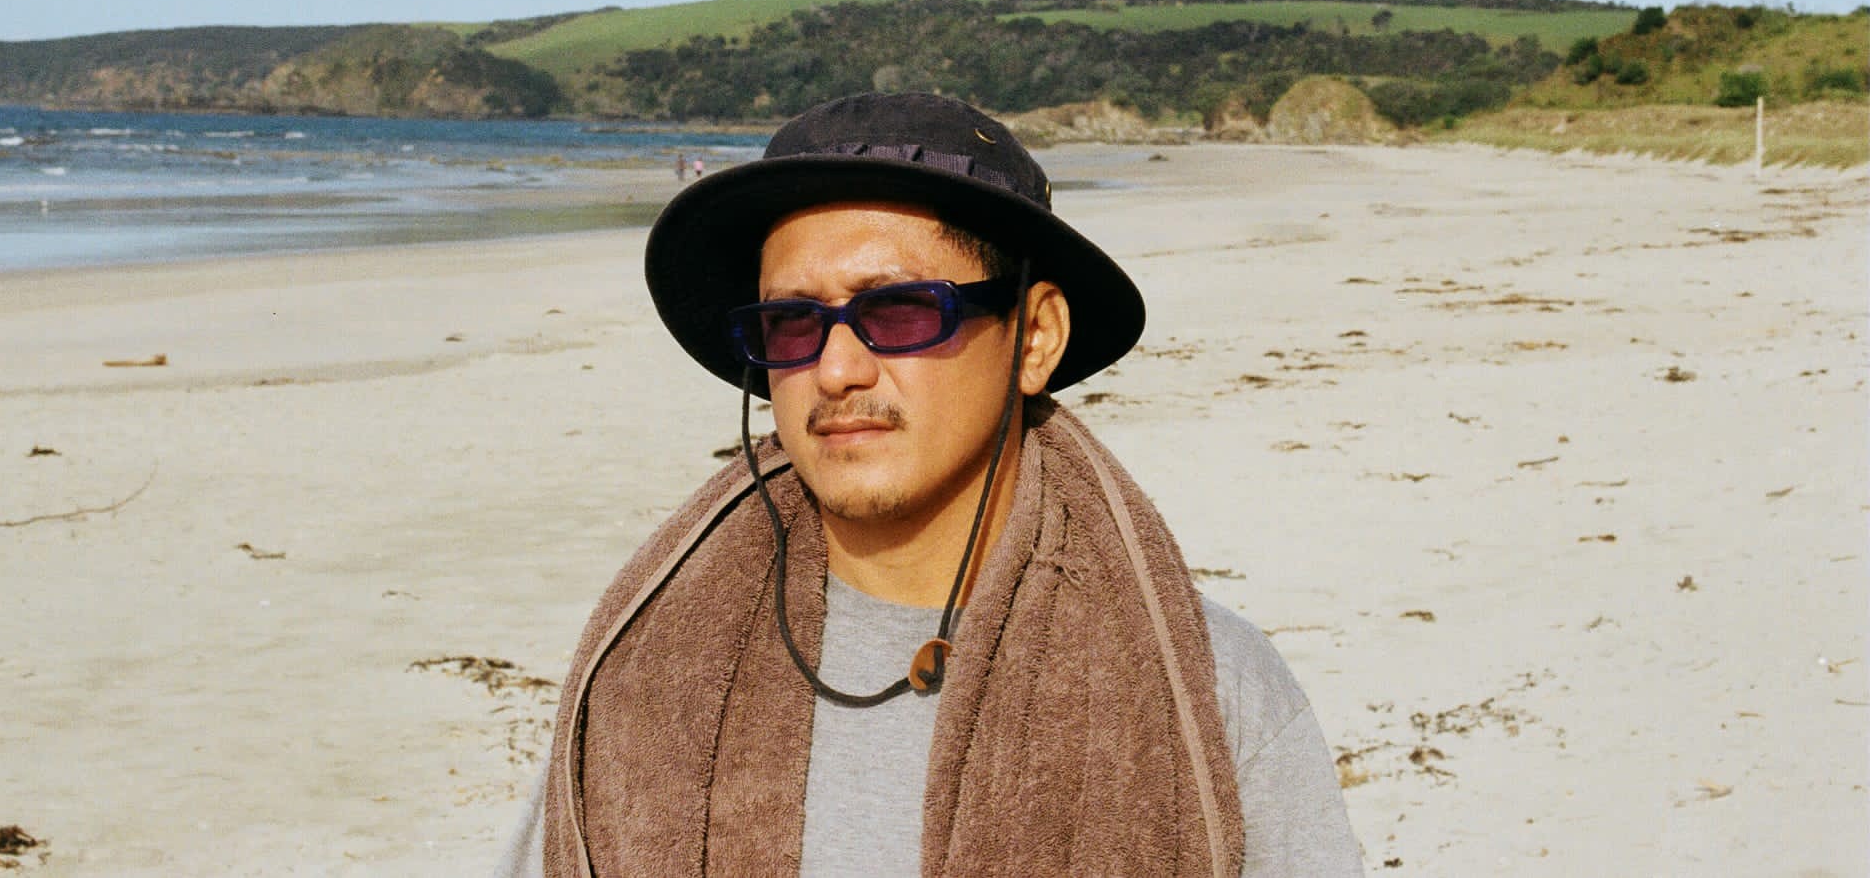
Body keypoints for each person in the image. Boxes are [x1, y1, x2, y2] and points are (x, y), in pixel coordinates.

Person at [497, 92, 1361, 876]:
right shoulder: (644, 669)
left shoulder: (1204, 692)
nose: (835, 368)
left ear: (1035, 338)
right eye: (791, 322)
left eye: (898, 311)